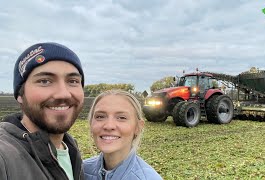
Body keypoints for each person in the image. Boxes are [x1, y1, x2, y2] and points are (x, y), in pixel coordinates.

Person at [0, 42, 85, 180]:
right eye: (45, 81)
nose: (63, 94)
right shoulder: (4, 156)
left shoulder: (71, 150)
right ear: (20, 95)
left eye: (73, 81)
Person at [84, 90, 162, 180]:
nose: (109, 126)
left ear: (138, 127)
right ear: (91, 124)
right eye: (100, 117)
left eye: (121, 118)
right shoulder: (80, 171)